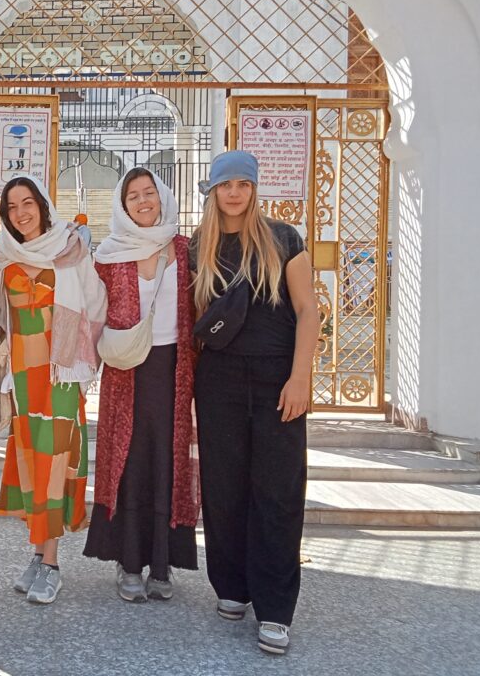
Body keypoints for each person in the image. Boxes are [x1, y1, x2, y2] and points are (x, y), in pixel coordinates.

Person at [189, 150, 318, 655]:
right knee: (224, 487)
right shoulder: (202, 244)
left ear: (255, 188)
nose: (235, 192)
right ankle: (233, 587)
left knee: (278, 490)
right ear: (214, 191)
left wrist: (300, 377)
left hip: (275, 377)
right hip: (218, 378)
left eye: (243, 183)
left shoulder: (284, 239)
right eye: (226, 184)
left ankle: (276, 608)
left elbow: (308, 311)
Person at [84, 167, 200, 602]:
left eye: (149, 192)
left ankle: (162, 563)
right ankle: (129, 561)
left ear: (162, 196)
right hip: (126, 372)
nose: (143, 201)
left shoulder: (185, 250)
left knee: (167, 460)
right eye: (133, 195)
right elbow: (92, 310)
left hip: (175, 370)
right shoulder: (110, 255)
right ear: (122, 205)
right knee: (130, 460)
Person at [0, 175, 107, 604]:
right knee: (30, 460)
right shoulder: (5, 254)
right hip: (22, 374)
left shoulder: (72, 249)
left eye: (28, 203)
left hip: (61, 373)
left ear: (42, 205)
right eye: (12, 207)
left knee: (56, 460)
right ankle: (38, 552)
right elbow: (0, 317)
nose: (21, 213)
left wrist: (79, 358)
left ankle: (53, 562)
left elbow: (96, 304)